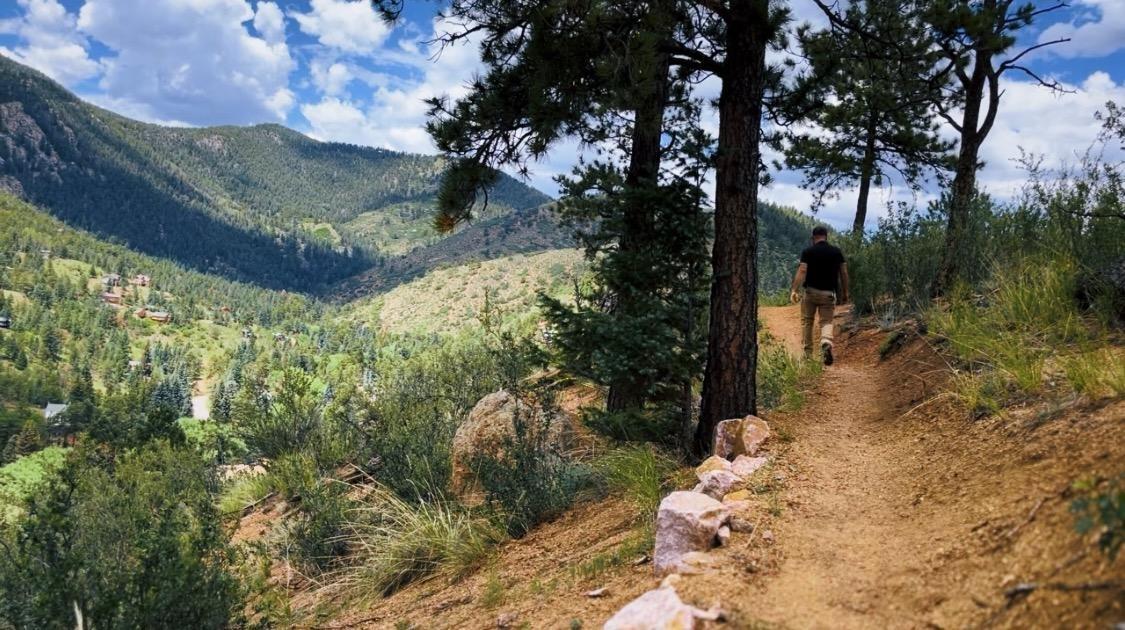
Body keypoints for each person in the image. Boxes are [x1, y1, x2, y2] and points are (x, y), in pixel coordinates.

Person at [789, 226, 849, 365]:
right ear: (826, 236)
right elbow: (844, 273)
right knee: (826, 321)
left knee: (807, 321)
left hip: (810, 292)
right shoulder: (836, 252)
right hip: (828, 294)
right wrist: (846, 292)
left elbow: (803, 270)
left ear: (813, 237)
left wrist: (794, 290)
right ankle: (826, 341)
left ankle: (808, 355)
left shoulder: (808, 251)